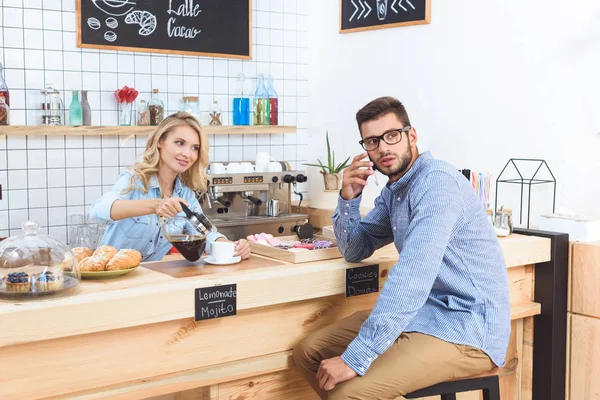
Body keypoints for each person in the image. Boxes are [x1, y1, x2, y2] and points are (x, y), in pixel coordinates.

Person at [293, 97, 510, 399]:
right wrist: (348, 198)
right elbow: (355, 248)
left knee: (348, 394)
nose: (383, 148)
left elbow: (413, 276)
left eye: (391, 136)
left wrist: (355, 359)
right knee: (308, 351)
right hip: (423, 315)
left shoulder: (437, 184)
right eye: (372, 141)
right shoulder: (396, 190)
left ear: (412, 135)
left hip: (467, 327)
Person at [90, 112, 251, 262]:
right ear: (160, 141)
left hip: (150, 279)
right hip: (110, 278)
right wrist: (155, 205)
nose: (187, 154)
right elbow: (97, 210)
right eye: (180, 143)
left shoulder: (185, 195)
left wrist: (230, 245)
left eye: (194, 147)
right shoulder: (135, 180)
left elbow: (205, 233)